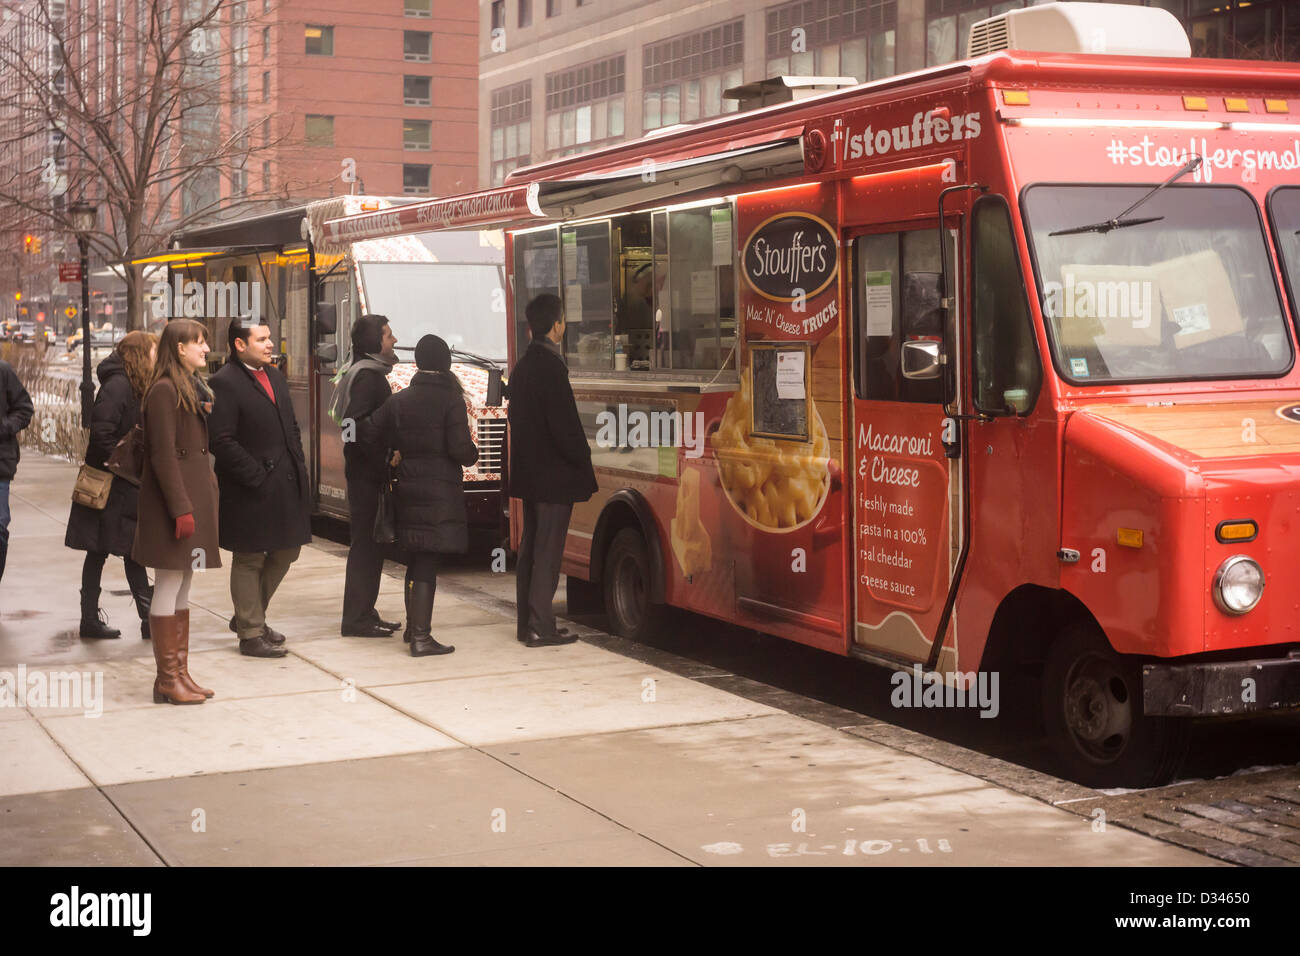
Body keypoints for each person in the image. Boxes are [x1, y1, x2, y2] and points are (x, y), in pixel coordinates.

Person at [208, 318, 311, 658]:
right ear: (240, 344)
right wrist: (255, 475)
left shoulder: (275, 377)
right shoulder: (225, 382)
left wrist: (298, 464)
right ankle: (251, 632)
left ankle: (248, 616)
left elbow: (291, 427)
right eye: (262, 339)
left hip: (285, 483)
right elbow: (220, 440)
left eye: (270, 338)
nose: (270, 344)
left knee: (287, 550)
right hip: (248, 488)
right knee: (250, 557)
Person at [374, 334, 478, 657]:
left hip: (407, 489)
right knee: (427, 563)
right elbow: (461, 450)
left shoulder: (398, 401)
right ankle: (421, 636)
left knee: (415, 559)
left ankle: (411, 628)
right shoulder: (451, 401)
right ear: (444, 362)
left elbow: (380, 439)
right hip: (439, 491)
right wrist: (473, 452)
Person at [132, 319, 219, 705]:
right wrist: (181, 508)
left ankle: (178, 673)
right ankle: (168, 678)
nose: (205, 348)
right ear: (179, 349)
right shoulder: (165, 391)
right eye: (198, 342)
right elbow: (163, 455)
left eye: (205, 342)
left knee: (183, 581)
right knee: (168, 582)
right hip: (173, 504)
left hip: (190, 499)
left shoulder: (187, 386)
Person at [507, 293, 597, 648]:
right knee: (548, 550)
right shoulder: (552, 368)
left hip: (531, 476)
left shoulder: (523, 367)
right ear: (556, 325)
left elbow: (516, 418)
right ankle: (540, 625)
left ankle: (527, 621)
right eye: (563, 319)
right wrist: (582, 458)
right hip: (554, 478)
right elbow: (566, 428)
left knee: (532, 547)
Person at [65, 332, 157, 639]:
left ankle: (99, 618)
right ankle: (138, 618)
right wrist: (128, 464)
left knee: (113, 550)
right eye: (153, 350)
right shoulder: (118, 386)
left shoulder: (133, 384)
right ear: (140, 354)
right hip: (112, 485)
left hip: (122, 484)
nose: (157, 356)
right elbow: (100, 438)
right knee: (114, 550)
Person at [336, 314, 403, 637]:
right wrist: (383, 460)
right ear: (374, 342)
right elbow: (353, 425)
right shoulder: (368, 378)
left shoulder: (365, 371)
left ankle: (365, 611)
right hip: (367, 477)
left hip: (365, 473)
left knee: (371, 545)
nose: (393, 340)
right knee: (366, 545)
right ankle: (357, 619)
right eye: (388, 335)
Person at [0, 356, 33, 584]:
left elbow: (24, 409)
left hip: (0, 464)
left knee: (0, 528)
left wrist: (3, 427)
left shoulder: (3, 371)